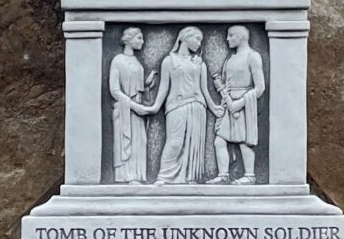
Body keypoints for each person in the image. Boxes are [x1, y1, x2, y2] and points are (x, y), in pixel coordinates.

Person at [139, 26, 223, 185]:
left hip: (197, 106)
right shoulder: (169, 61)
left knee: (193, 147)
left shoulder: (199, 63)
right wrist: (155, 106)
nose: (200, 43)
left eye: (201, 40)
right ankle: (163, 176)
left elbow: (204, 89)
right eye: (197, 39)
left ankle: (190, 178)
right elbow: (164, 88)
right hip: (176, 105)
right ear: (184, 37)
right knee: (175, 142)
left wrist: (213, 108)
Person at [207, 25, 265, 185]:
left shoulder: (253, 56)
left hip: (245, 104)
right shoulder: (230, 59)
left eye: (231, 35)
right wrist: (223, 93)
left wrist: (240, 104)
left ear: (240, 37)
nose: (227, 39)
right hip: (228, 104)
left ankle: (249, 176)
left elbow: (260, 87)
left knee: (244, 141)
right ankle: (223, 174)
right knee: (219, 141)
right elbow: (226, 84)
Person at [108, 27, 154, 183]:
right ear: (129, 39)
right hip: (125, 110)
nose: (142, 41)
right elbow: (114, 90)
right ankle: (127, 177)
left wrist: (147, 85)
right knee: (126, 142)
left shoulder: (136, 61)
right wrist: (134, 106)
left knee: (140, 142)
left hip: (138, 108)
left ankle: (138, 176)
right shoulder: (118, 60)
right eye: (139, 38)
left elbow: (138, 87)